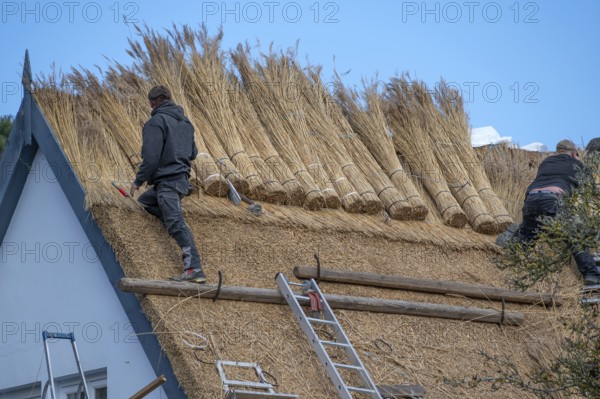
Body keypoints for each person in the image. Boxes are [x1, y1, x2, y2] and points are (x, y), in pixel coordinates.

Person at [129, 86, 206, 283]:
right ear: (170, 99)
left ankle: (194, 269)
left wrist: (138, 180)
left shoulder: (156, 122)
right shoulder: (185, 122)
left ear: (151, 103)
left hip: (168, 182)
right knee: (146, 202)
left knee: (175, 222)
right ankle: (170, 220)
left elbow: (151, 157)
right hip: (180, 181)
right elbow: (193, 153)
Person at [518, 139, 600, 285]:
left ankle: (516, 261)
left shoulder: (545, 163)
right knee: (576, 237)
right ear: (574, 153)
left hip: (531, 199)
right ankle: (592, 274)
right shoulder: (578, 164)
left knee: (527, 237)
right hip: (553, 200)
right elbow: (590, 191)